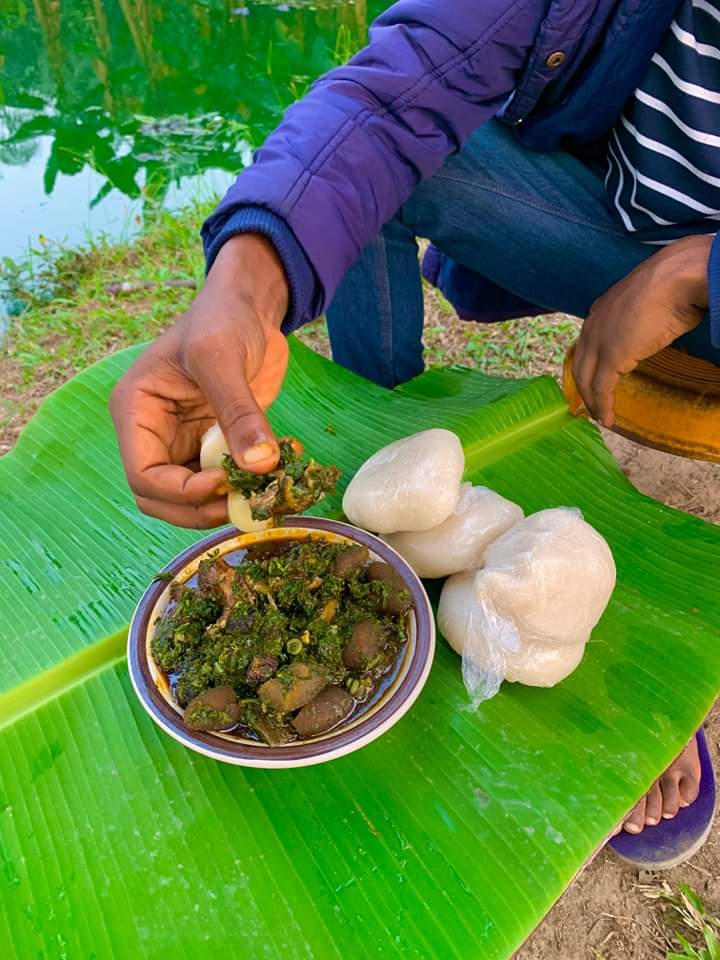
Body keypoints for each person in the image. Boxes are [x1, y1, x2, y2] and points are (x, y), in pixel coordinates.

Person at [110, 0, 720, 865]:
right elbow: (405, 87)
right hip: (614, 222)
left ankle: (647, 663)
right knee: (378, 181)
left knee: (589, 570)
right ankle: (391, 480)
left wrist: (704, 272)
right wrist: (250, 276)